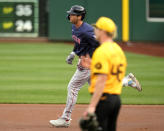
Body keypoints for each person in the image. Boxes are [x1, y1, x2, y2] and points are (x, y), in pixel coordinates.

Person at [49, 5, 141, 128]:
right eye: (70, 13)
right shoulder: (74, 27)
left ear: (79, 16)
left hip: (89, 65)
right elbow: (79, 43)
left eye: (72, 14)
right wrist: (73, 53)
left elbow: (102, 45)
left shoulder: (87, 31)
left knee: (72, 88)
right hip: (87, 63)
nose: (70, 15)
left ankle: (65, 119)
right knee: (99, 87)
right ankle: (127, 81)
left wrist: (90, 59)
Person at [82, 16, 127, 131]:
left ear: (102, 31)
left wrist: (92, 106)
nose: (94, 30)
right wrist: (93, 65)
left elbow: (101, 81)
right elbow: (111, 70)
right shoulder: (118, 49)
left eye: (96, 28)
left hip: (104, 100)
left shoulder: (101, 51)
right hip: (116, 100)